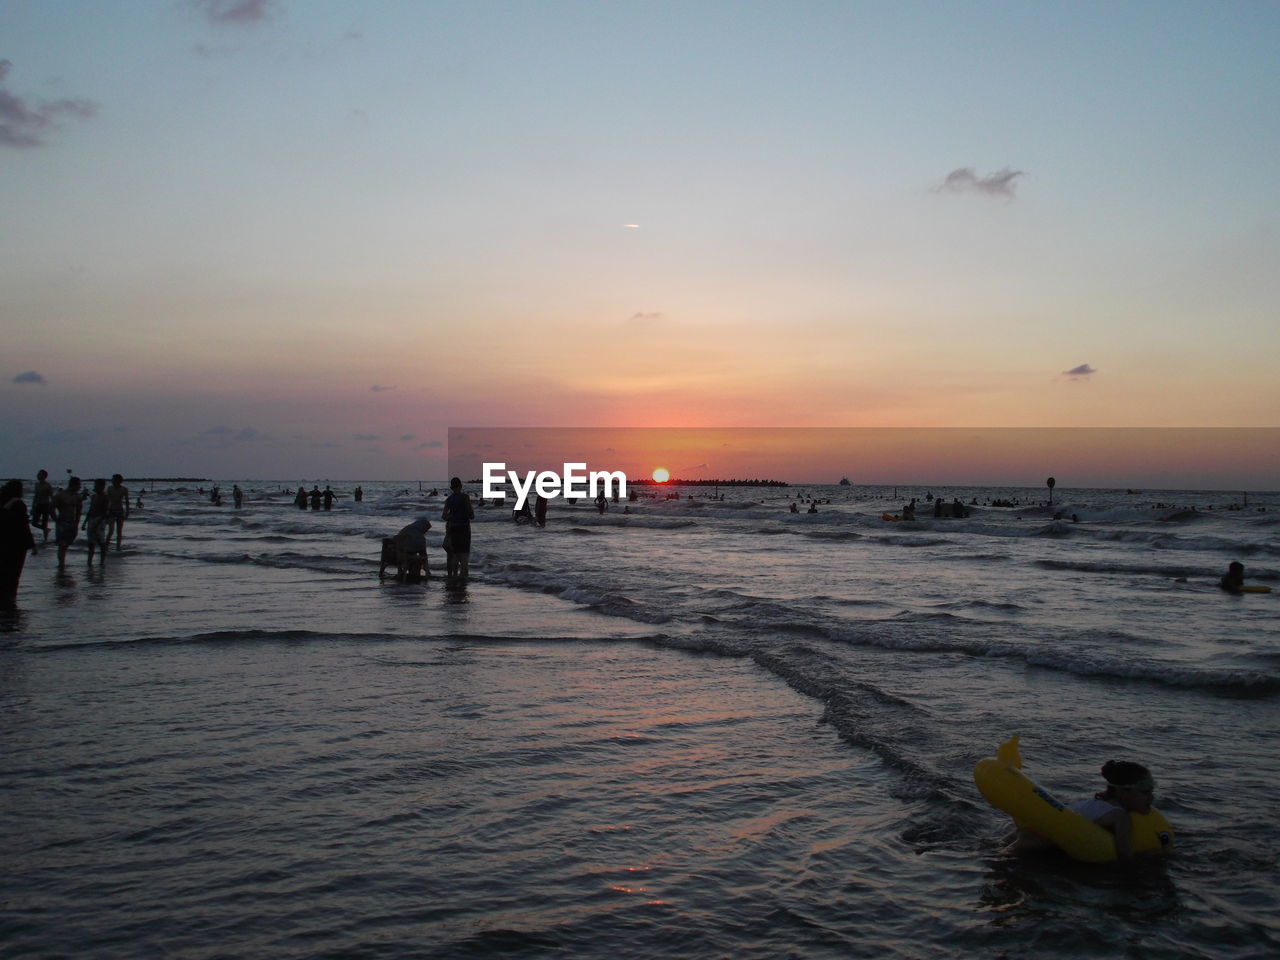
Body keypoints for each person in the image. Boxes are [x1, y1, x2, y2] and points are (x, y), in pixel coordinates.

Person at [1009, 760, 1160, 864]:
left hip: (1029, 834)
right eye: (1145, 792)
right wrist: (1149, 856)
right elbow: (1125, 857)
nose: (1151, 797)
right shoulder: (1121, 817)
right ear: (1123, 792)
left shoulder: (1098, 802)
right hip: (1037, 844)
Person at [1, 480, 38, 609]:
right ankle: (10, 599)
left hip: (4, 543)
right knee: (14, 573)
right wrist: (32, 544)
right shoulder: (19, 504)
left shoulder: (3, 501)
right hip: (17, 544)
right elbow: (24, 525)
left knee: (4, 571)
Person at [442, 477, 474, 582]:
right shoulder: (465, 497)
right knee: (464, 555)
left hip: (453, 528)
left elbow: (444, 516)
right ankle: (462, 577)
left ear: (451, 487)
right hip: (464, 528)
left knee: (455, 554)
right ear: (461, 486)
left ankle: (454, 577)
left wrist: (453, 516)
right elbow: (471, 515)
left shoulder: (449, 499)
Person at [380, 516, 431, 582]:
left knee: (413, 555)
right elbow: (423, 553)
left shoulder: (406, 529)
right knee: (419, 559)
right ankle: (417, 577)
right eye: (426, 530)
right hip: (404, 557)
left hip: (392, 555)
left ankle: (403, 573)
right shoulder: (420, 537)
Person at [52, 476, 83, 569]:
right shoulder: (60, 495)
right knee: (62, 544)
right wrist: (57, 522)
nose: (80, 487)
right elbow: (51, 509)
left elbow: (78, 511)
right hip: (62, 520)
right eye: (79, 485)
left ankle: (62, 563)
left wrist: (77, 524)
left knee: (67, 544)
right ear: (74, 485)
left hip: (72, 522)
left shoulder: (78, 496)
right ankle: (61, 564)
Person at [83, 478, 110, 565]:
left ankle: (102, 562)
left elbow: (106, 512)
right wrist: (85, 522)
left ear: (102, 486)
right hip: (91, 519)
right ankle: (89, 562)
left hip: (100, 520)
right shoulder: (94, 496)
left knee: (101, 542)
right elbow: (90, 510)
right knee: (91, 543)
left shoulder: (105, 497)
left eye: (96, 485)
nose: (95, 487)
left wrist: (99, 522)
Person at [106, 474, 130, 549]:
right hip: (111, 510)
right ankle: (106, 547)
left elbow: (126, 501)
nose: (112, 481)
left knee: (119, 531)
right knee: (111, 531)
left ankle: (118, 547)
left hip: (120, 511)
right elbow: (107, 501)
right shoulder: (109, 488)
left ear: (118, 481)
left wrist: (127, 512)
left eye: (113, 480)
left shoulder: (124, 489)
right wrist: (106, 511)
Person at [31, 469, 53, 542]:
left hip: (46, 505)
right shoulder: (36, 484)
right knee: (33, 522)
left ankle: (45, 539)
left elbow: (51, 496)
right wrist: (33, 506)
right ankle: (46, 530)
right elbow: (36, 496)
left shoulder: (48, 485)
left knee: (45, 522)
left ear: (44, 476)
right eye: (38, 474)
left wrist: (53, 507)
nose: (37, 475)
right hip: (38, 505)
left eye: (39, 474)